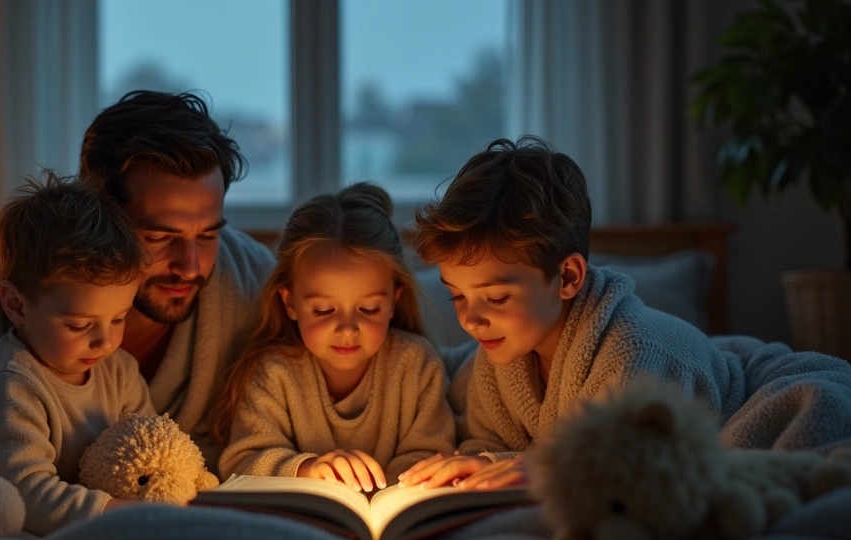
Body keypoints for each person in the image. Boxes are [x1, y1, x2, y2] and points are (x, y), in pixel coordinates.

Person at [399, 136, 744, 491]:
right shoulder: (497, 363)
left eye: (498, 298)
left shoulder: (632, 354)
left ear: (567, 277)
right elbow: (488, 446)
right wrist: (483, 463)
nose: (471, 320)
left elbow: (641, 463)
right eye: (457, 296)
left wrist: (546, 469)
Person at [79, 90, 277, 474]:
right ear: (96, 219)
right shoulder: (25, 278)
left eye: (207, 236)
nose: (189, 267)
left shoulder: (255, 285)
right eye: (159, 237)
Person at [215, 183, 455, 491]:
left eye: (368, 309)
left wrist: (390, 488)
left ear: (394, 301)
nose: (346, 329)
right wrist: (307, 469)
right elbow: (242, 461)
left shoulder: (415, 364)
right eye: (325, 310)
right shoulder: (272, 372)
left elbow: (433, 453)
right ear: (290, 303)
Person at [0, 171, 154, 536]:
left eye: (118, 319)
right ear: (17, 306)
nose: (105, 342)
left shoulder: (119, 370)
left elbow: (153, 449)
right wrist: (126, 514)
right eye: (80, 326)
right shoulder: (11, 387)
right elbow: (27, 495)